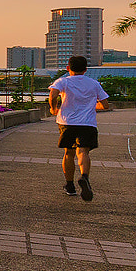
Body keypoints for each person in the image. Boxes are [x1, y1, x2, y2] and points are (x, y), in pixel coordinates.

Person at [49, 55, 110, 202]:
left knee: (69, 153)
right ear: (85, 69)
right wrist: (92, 106)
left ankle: (70, 186)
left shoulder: (63, 81)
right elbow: (105, 105)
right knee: (83, 151)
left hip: (67, 122)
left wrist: (53, 108)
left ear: (68, 68)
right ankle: (84, 177)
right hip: (88, 123)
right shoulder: (94, 83)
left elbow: (53, 94)